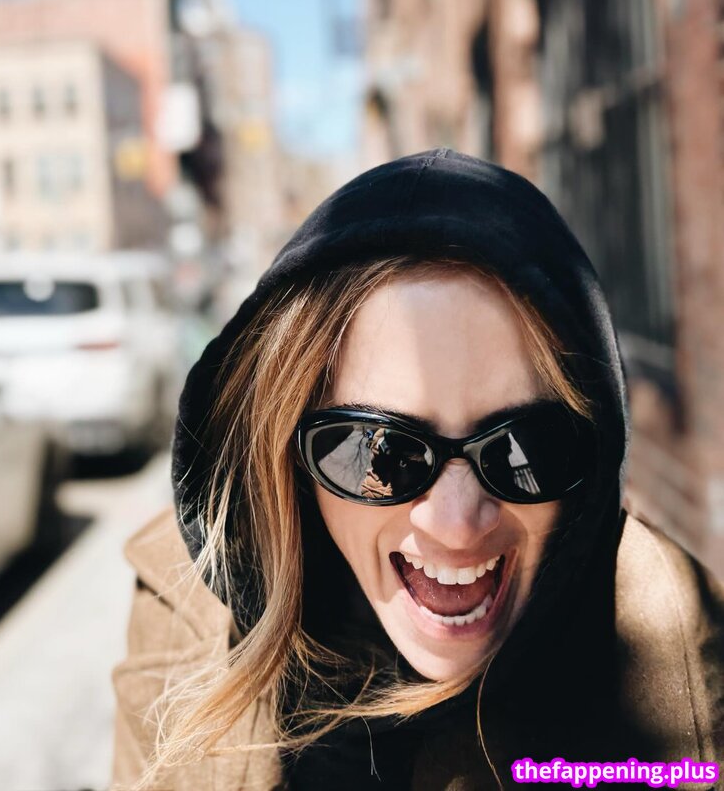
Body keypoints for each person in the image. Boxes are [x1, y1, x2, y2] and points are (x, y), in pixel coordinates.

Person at [111, 149, 723, 791]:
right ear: (288, 445)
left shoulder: (681, 665)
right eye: (384, 452)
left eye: (522, 448)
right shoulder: (180, 618)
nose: (456, 524)